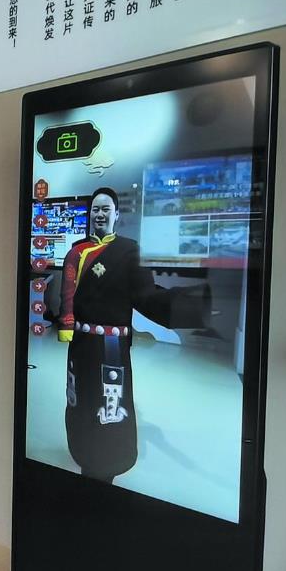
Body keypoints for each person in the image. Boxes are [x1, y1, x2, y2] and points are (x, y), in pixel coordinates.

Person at [56, 187, 209, 483]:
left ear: (117, 214)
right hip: (80, 345)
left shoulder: (129, 251)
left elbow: (147, 296)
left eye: (106, 209)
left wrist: (193, 306)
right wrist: (66, 324)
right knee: (79, 399)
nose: (100, 214)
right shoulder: (76, 251)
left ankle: (107, 463)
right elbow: (67, 293)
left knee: (109, 404)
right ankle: (81, 450)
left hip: (111, 347)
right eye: (95, 209)